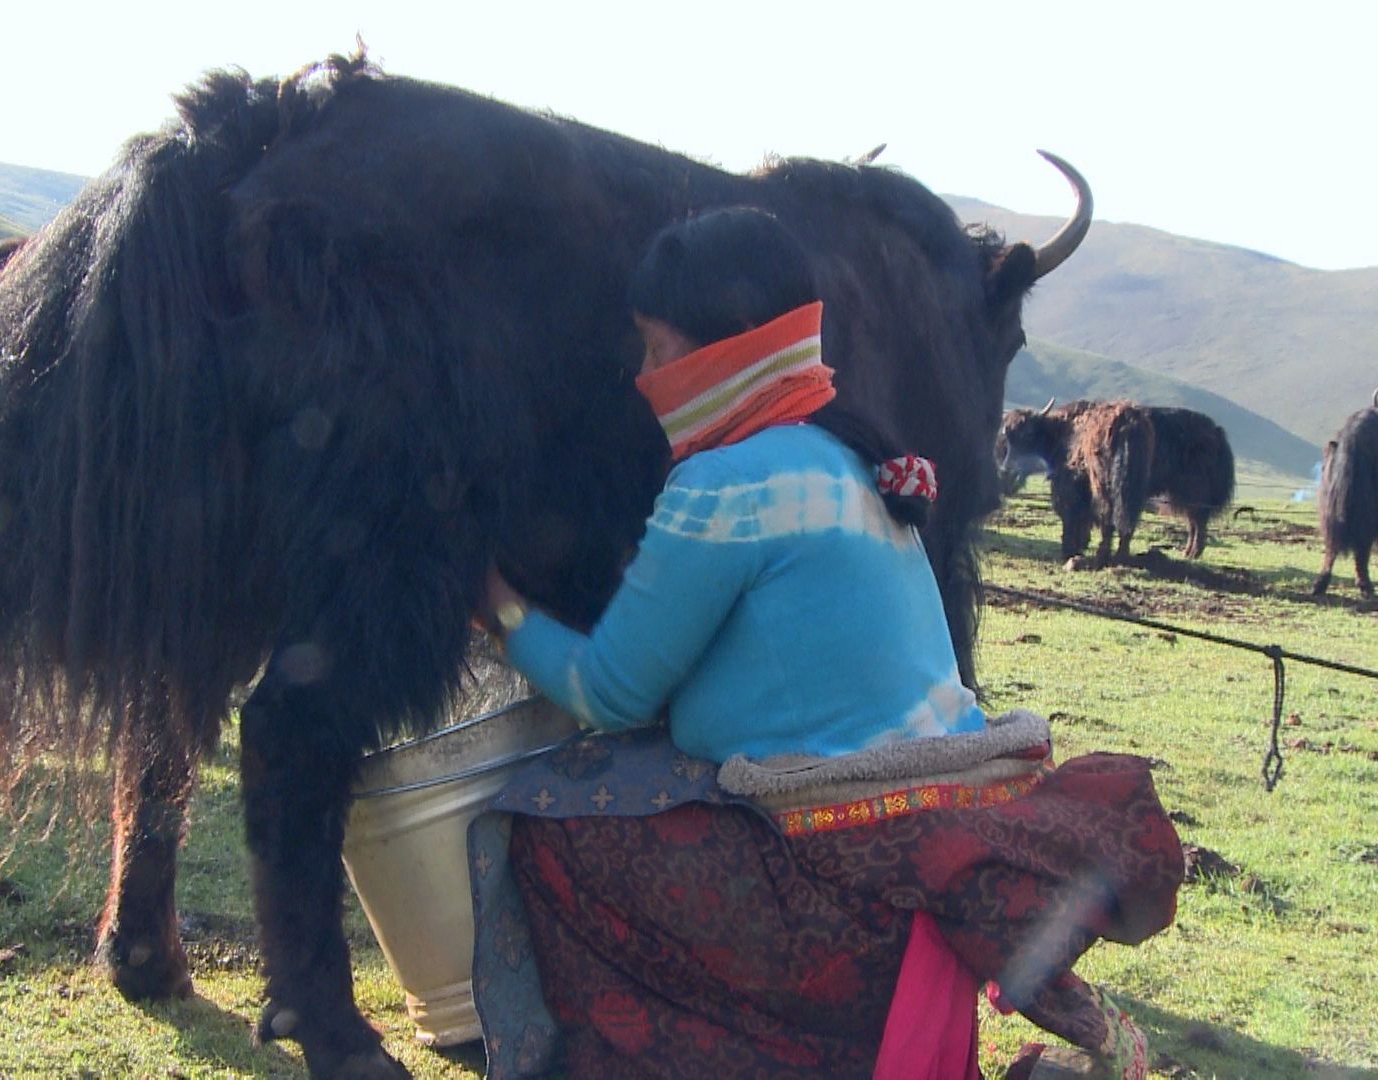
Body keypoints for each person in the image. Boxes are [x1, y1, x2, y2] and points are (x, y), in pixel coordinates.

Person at [467, 206, 1183, 1079]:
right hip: (939, 803)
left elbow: (611, 692)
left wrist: (502, 609)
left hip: (834, 851)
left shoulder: (724, 483)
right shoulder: (842, 455)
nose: (645, 377)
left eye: (657, 350)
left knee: (544, 824)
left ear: (721, 352)